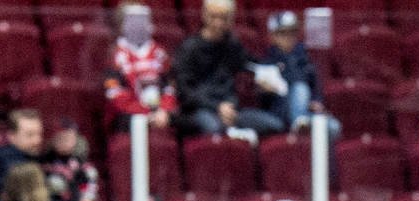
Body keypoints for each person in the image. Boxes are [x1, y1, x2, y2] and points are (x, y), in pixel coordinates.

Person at [175, 0, 284, 141]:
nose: (218, 23)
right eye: (214, 17)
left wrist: (269, 75)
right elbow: (185, 91)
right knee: (214, 127)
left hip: (231, 111)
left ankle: (236, 134)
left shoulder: (232, 45)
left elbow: (251, 64)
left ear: (231, 19)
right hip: (200, 110)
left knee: (274, 125)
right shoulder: (189, 49)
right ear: (204, 15)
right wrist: (217, 107)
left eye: (224, 18)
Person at [256, 11, 335, 138]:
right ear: (273, 36)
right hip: (281, 113)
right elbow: (265, 98)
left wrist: (316, 101)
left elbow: (316, 87)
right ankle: (299, 122)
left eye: (292, 32)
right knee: (300, 88)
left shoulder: (305, 59)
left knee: (333, 127)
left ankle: (303, 123)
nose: (289, 37)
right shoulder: (267, 62)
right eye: (283, 33)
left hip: (308, 112)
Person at [104, 3, 179, 132]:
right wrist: (145, 112)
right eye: (134, 21)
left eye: (143, 20)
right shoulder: (114, 56)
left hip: (161, 114)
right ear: (122, 25)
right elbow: (114, 92)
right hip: (129, 117)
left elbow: (171, 85)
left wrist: (164, 109)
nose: (139, 26)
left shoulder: (160, 53)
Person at [0, 108, 48, 201]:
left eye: (39, 134)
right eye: (30, 135)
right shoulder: (7, 165)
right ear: (12, 136)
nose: (37, 140)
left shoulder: (38, 158)